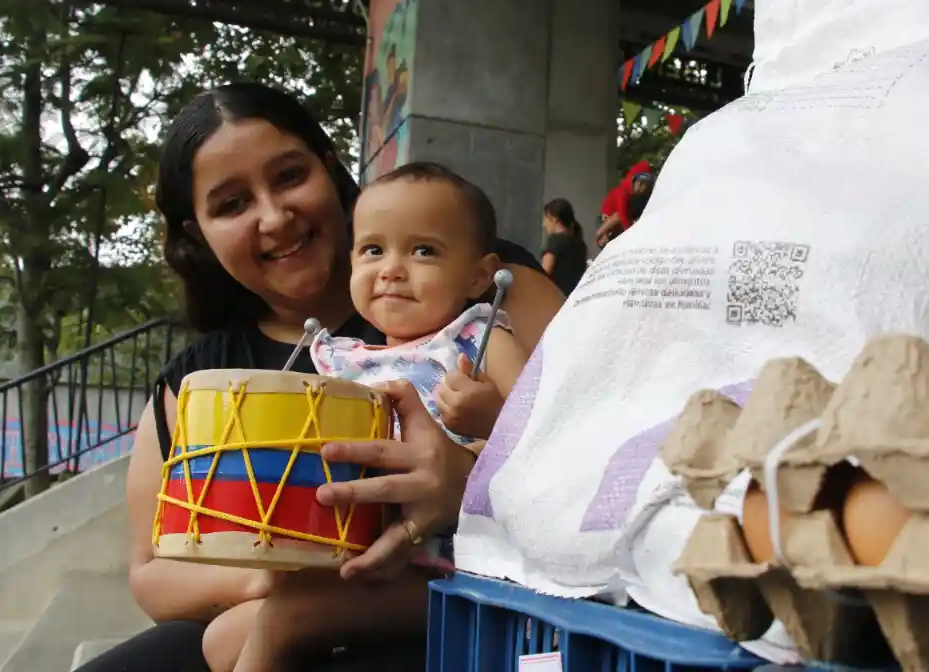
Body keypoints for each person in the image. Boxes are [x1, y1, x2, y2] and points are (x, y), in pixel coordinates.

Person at [74, 82, 564, 672]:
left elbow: (591, 446)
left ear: (330, 171)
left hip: (467, 589)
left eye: (288, 177)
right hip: (284, 602)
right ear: (194, 233)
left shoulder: (475, 295)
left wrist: (466, 484)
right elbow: (153, 571)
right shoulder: (198, 378)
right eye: (232, 205)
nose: (276, 217)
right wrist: (289, 576)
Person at [202, 162, 529, 672]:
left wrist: (492, 420)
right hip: (356, 557)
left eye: (424, 250)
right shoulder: (346, 359)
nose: (392, 268)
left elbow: (546, 441)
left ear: (480, 275)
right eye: (373, 249)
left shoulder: (480, 340)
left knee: (291, 615)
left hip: (453, 570)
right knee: (219, 640)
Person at [596, 164, 654, 248]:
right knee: (618, 216)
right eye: (640, 184)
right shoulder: (622, 193)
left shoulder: (639, 198)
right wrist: (630, 233)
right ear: (633, 181)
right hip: (605, 220)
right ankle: (600, 235)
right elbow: (622, 214)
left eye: (646, 185)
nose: (643, 188)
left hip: (619, 225)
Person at [540, 198, 588, 296]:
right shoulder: (580, 243)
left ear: (554, 220)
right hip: (573, 300)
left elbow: (544, 272)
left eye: (546, 219)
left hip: (556, 300)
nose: (544, 224)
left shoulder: (555, 240)